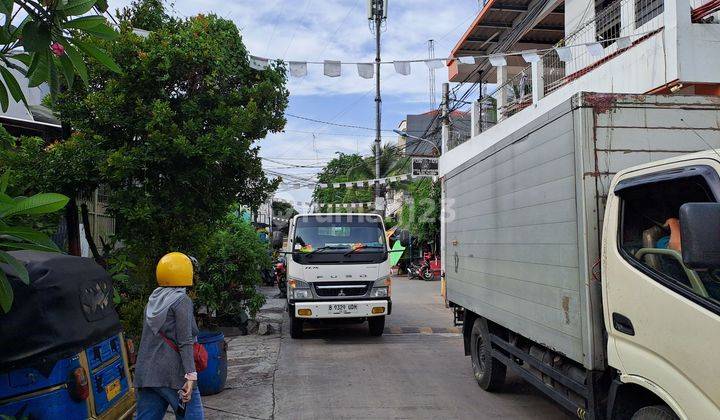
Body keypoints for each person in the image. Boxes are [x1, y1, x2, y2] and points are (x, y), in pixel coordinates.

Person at [134, 252, 204, 419]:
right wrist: (190, 375)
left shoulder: (153, 300)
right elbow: (185, 341)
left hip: (147, 374)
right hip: (173, 375)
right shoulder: (181, 301)